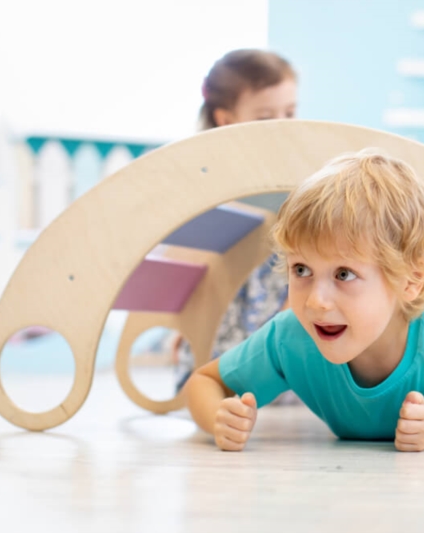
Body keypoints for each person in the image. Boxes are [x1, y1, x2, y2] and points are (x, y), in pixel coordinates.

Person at [185, 149, 424, 452]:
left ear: (410, 281)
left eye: (344, 275)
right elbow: (204, 381)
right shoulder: (291, 336)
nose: (316, 302)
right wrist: (218, 419)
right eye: (302, 269)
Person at [174, 49, 298, 395]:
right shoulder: (209, 171)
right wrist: (181, 328)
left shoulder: (295, 170)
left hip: (281, 284)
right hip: (227, 286)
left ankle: (273, 377)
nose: (282, 125)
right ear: (227, 120)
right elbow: (191, 254)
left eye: (290, 113)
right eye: (264, 117)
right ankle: (214, 381)